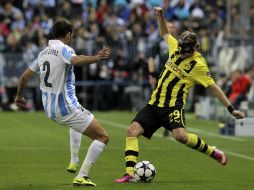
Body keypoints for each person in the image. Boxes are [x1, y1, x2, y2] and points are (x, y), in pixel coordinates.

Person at [115, 7, 245, 183]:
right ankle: (130, 173)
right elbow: (164, 33)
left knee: (181, 137)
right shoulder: (175, 47)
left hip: (173, 107)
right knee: (132, 131)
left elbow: (214, 88)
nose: (181, 53)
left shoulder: (198, 66)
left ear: (194, 48)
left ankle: (213, 151)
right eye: (181, 49)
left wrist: (231, 109)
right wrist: (160, 15)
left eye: (185, 51)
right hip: (154, 104)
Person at [15, 19, 110, 187]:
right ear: (68, 35)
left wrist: (19, 97)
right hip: (65, 107)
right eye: (71, 35)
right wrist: (96, 57)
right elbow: (75, 60)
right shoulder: (65, 49)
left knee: (76, 124)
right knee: (103, 137)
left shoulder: (43, 52)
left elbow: (24, 77)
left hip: (49, 108)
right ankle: (82, 176)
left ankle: (74, 161)